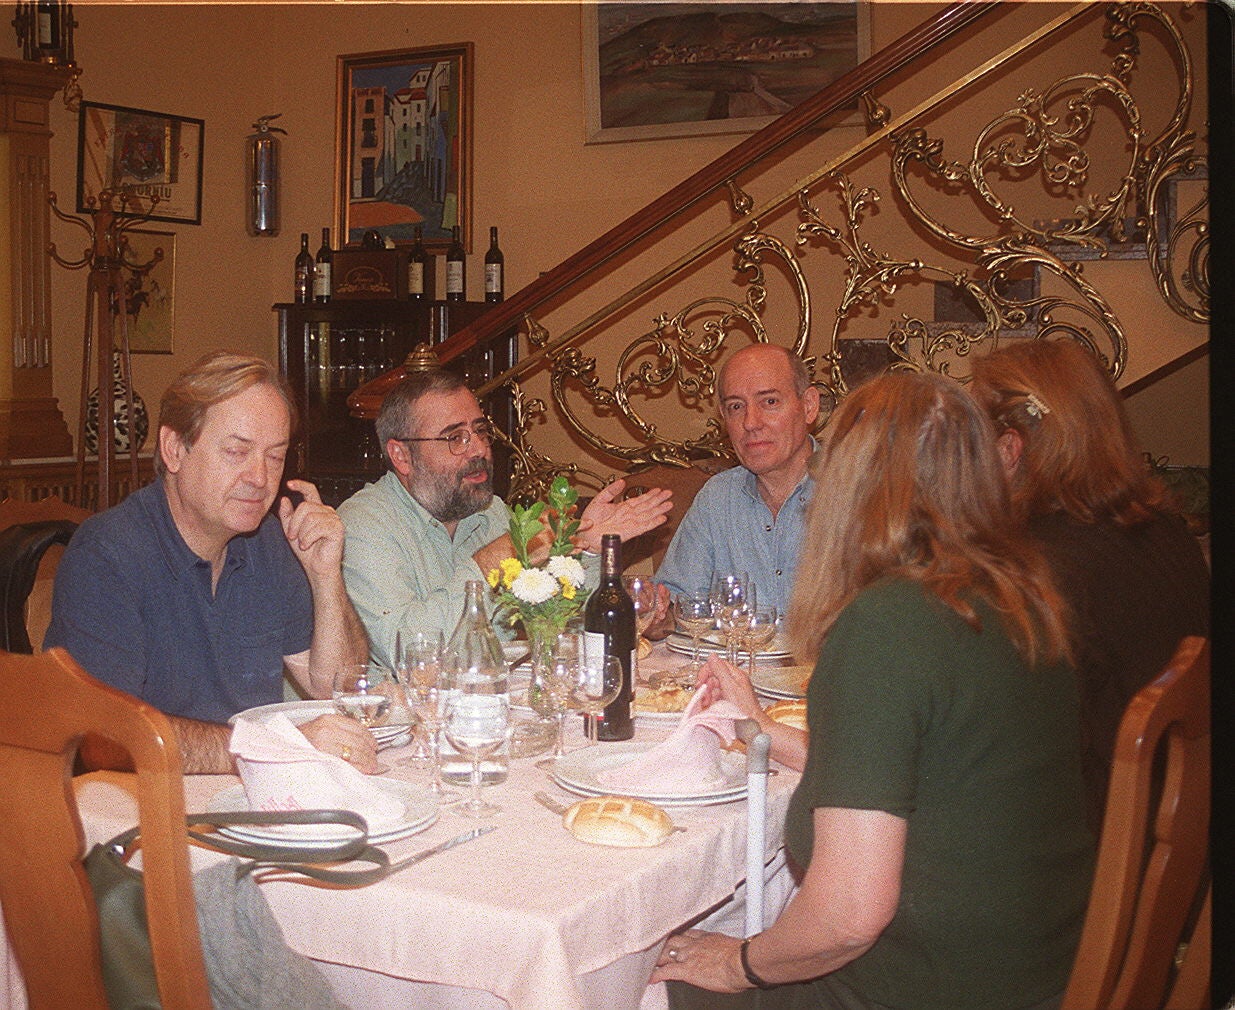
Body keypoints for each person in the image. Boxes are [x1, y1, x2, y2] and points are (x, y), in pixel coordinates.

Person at [652, 371, 1094, 1010]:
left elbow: (846, 917)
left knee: (640, 972)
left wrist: (739, 965)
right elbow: (928, 773)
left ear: (852, 485)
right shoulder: (1021, 596)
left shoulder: (886, 624)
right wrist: (760, 732)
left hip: (923, 988)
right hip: (1033, 966)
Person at [46, 351, 377, 774]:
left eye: (275, 456)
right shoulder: (107, 556)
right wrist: (269, 746)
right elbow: (106, 741)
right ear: (174, 450)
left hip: (248, 800)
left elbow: (340, 686)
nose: (260, 478)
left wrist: (325, 575)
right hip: (131, 813)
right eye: (237, 452)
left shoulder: (268, 542)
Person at [970, 339, 1210, 832]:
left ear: (1010, 450)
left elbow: (1009, 759)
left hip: (1094, 852)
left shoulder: (1041, 569)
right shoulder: (1166, 529)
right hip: (1178, 837)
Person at [337, 367, 673, 670]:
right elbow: (411, 653)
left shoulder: (491, 512)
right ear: (401, 455)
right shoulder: (362, 527)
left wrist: (587, 550)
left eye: (480, 431)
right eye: (455, 438)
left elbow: (554, 620)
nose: (479, 450)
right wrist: (494, 558)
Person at [653, 343, 819, 619]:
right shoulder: (717, 498)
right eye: (736, 406)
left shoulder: (858, 490)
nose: (751, 422)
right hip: (734, 661)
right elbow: (674, 609)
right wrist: (652, 608)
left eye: (770, 402)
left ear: (809, 406)